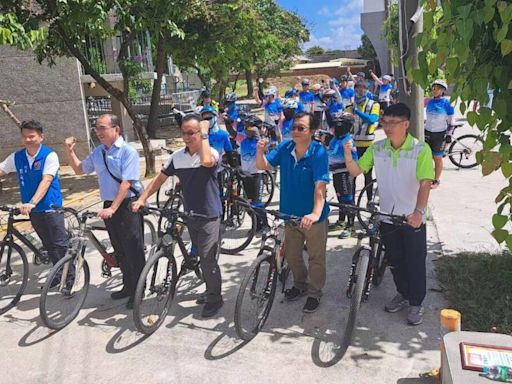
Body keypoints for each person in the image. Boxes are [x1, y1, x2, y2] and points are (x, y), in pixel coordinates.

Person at [343, 103, 434, 326]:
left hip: (411, 218)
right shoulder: (378, 148)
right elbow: (356, 171)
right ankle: (402, 294)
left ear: (406, 124)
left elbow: (425, 184)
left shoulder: (420, 149)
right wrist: (347, 153)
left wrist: (418, 212)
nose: (388, 127)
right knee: (395, 261)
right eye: (385, 122)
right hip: (386, 217)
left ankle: (416, 303)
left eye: (393, 123)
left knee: (414, 262)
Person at [132, 114, 224, 318]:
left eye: (192, 133)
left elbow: (207, 161)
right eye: (184, 133)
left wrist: (206, 134)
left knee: (208, 259)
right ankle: (209, 287)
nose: (187, 137)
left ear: (201, 133)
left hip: (210, 215)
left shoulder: (212, 153)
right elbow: (159, 179)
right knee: (200, 256)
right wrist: (142, 198)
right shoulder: (178, 157)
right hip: (190, 215)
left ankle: (215, 298)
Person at [64, 114, 145, 309]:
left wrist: (114, 208)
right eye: (97, 128)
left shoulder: (128, 152)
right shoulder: (99, 152)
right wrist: (69, 151)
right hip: (109, 204)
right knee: (120, 249)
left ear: (116, 129)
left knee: (133, 249)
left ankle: (139, 290)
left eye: (102, 128)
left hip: (128, 204)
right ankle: (128, 285)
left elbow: (126, 183)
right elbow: (79, 170)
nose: (98, 132)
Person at [256, 112, 330, 313]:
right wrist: (260, 152)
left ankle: (315, 293)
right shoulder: (285, 147)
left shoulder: (318, 153)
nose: (295, 131)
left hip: (313, 218)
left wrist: (315, 214)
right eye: (293, 127)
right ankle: (300, 284)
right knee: (292, 254)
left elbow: (320, 187)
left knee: (316, 257)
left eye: (301, 128)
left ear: (312, 131)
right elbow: (263, 166)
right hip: (289, 215)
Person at [0, 120, 68, 269]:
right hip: (32, 209)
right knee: (48, 244)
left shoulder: (49, 155)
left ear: (41, 137)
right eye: (25, 136)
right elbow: (2, 169)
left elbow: (46, 181)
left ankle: (69, 278)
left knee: (59, 244)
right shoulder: (17, 157)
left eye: (32, 136)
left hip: (51, 207)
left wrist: (32, 202)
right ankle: (56, 275)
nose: (28, 140)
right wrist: (31, 205)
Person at [324, 114, 358, 239]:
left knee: (348, 199)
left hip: (345, 173)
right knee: (340, 199)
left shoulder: (348, 140)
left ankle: (351, 226)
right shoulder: (335, 139)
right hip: (336, 172)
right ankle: (341, 221)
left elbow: (355, 159)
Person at [347, 80, 380, 200]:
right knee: (352, 176)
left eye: (362, 89)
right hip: (354, 146)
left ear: (367, 90)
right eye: (357, 89)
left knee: (368, 176)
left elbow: (372, 119)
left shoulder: (373, 105)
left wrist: (357, 112)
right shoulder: (349, 107)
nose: (359, 91)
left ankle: (369, 201)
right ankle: (352, 204)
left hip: (367, 146)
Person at [238, 118, 269, 232]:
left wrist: (258, 136)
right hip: (246, 176)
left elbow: (265, 149)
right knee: (249, 205)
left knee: (258, 204)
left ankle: (265, 225)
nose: (248, 131)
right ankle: (256, 226)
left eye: (251, 129)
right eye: (247, 129)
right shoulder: (242, 140)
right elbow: (233, 133)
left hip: (257, 175)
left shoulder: (260, 141)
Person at [424, 79, 454, 189]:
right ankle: (426, 177)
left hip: (440, 134)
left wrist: (449, 134)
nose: (435, 90)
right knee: (426, 157)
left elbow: (451, 120)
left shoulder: (446, 103)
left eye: (437, 88)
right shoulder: (429, 101)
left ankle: (436, 180)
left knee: (437, 158)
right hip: (427, 132)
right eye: (433, 88)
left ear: (442, 90)